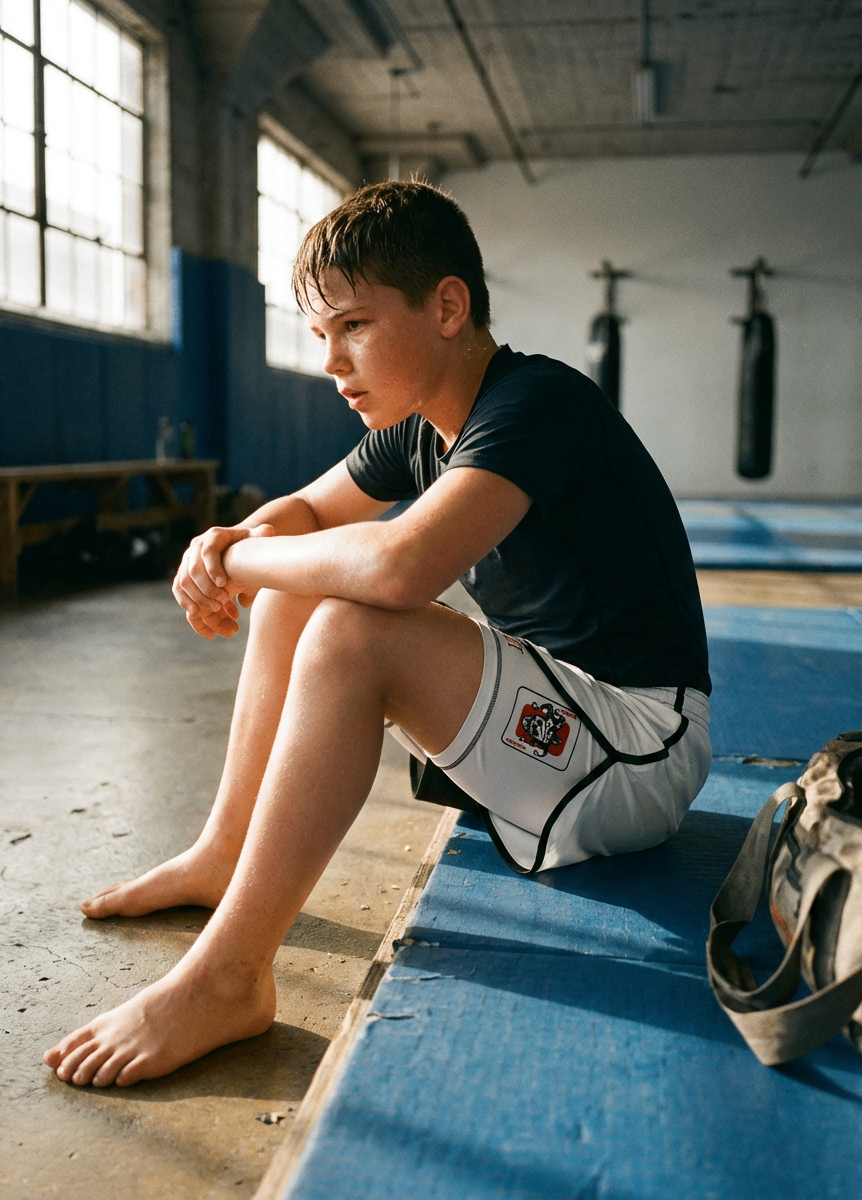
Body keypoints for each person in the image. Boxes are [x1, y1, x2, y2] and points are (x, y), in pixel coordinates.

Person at [44, 180, 712, 1088]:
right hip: (561, 717)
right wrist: (227, 545)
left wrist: (238, 560)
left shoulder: (538, 403)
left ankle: (231, 977)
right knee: (298, 594)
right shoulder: (419, 429)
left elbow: (402, 566)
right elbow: (306, 514)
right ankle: (223, 852)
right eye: (321, 334)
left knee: (353, 630)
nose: (331, 361)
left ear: (447, 307)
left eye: (354, 326)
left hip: (639, 751)